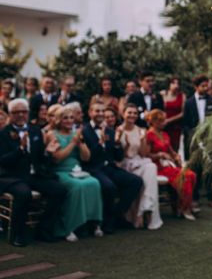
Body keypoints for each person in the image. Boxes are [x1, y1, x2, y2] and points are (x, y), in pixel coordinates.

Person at [0, 99, 67, 246]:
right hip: (12, 177)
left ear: (28, 113)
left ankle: (43, 229)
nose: (20, 115)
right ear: (10, 114)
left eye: (23, 112)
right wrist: (20, 150)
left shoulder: (35, 130)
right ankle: (18, 234)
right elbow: (2, 161)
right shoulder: (3, 133)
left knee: (59, 190)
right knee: (24, 194)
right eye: (16, 112)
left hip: (34, 174)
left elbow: (40, 159)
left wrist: (48, 153)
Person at [81, 102, 143, 233]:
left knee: (136, 181)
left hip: (110, 168)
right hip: (93, 169)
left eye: (102, 111)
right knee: (109, 187)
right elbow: (88, 158)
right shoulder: (84, 131)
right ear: (90, 113)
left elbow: (119, 157)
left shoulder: (110, 130)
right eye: (97, 111)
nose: (100, 114)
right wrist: (100, 143)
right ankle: (107, 222)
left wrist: (116, 143)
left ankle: (115, 217)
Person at [46, 104, 103, 242]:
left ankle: (94, 223)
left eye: (71, 118)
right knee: (77, 186)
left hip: (77, 170)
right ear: (59, 119)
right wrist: (72, 143)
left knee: (94, 183)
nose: (69, 120)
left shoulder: (76, 134)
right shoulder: (52, 135)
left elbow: (86, 157)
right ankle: (68, 227)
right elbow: (57, 158)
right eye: (65, 118)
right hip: (60, 171)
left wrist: (81, 144)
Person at [117, 104, 162, 230]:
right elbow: (120, 155)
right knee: (148, 172)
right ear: (123, 114)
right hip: (125, 164)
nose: (132, 115)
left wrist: (142, 140)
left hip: (139, 161)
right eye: (129, 113)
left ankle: (143, 211)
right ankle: (141, 213)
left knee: (151, 167)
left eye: (135, 113)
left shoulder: (141, 130)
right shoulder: (118, 130)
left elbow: (143, 154)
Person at [146, 109, 197, 220]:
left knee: (191, 174)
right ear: (154, 122)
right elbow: (146, 155)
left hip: (168, 165)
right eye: (162, 121)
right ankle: (184, 208)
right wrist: (159, 155)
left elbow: (171, 151)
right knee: (186, 176)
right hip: (157, 167)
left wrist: (176, 156)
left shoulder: (164, 134)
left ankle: (183, 204)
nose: (165, 123)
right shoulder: (149, 135)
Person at [183, 75, 212, 212]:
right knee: (195, 168)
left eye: (207, 86)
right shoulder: (189, 102)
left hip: (210, 139)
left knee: (211, 168)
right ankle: (195, 198)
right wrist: (191, 137)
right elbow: (185, 124)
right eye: (203, 86)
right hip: (194, 141)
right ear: (196, 87)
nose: (206, 88)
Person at [161, 77, 184, 152]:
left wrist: (169, 120)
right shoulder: (163, 94)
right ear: (169, 84)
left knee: (174, 148)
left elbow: (182, 113)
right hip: (163, 125)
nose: (176, 86)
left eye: (178, 84)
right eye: (173, 83)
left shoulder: (182, 96)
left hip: (175, 126)